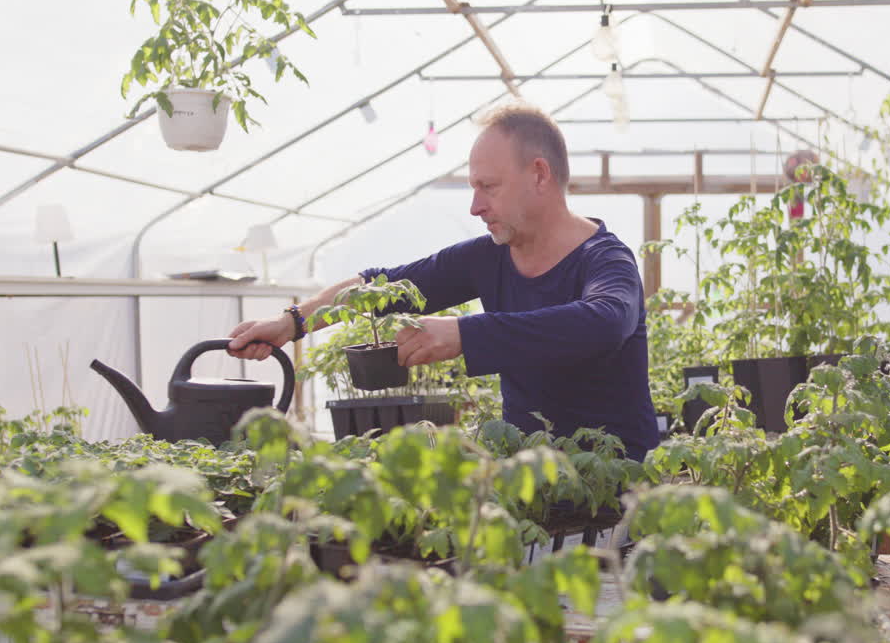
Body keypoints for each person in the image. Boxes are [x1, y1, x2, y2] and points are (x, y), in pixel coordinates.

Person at [227, 105, 659, 462]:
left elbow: (602, 323)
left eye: (488, 187)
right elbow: (380, 287)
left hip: (615, 494)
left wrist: (464, 335)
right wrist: (292, 324)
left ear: (540, 175)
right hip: (530, 486)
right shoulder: (487, 257)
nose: (475, 206)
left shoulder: (605, 260)